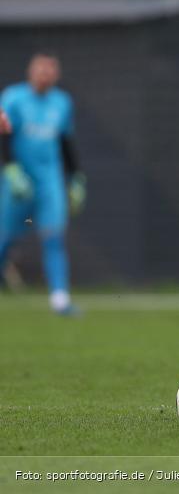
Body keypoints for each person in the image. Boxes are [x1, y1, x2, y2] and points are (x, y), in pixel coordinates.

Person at [0, 53, 87, 314]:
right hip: (18, 183)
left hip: (49, 182)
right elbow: (4, 135)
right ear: (31, 72)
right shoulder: (13, 98)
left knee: (54, 237)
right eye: (41, 70)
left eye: (50, 71)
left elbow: (65, 141)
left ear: (56, 75)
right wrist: (11, 169)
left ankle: (59, 299)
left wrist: (76, 177)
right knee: (4, 239)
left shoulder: (62, 103)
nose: (45, 76)